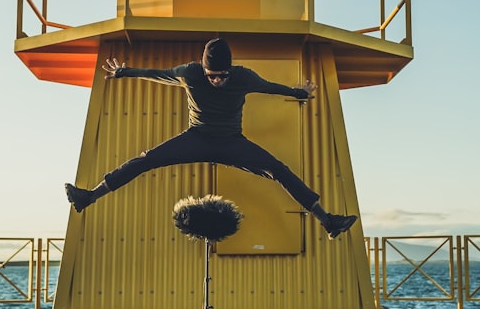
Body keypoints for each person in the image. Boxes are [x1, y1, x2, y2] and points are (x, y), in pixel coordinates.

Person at [65, 38, 358, 239]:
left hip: (232, 142)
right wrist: (123, 72)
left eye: (222, 76)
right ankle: (88, 196)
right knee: (147, 160)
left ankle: (328, 221)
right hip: (196, 137)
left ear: (231, 70)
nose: (216, 80)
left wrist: (299, 93)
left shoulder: (244, 77)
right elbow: (157, 74)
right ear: (203, 69)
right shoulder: (190, 73)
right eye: (211, 75)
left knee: (278, 170)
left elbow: (271, 87)